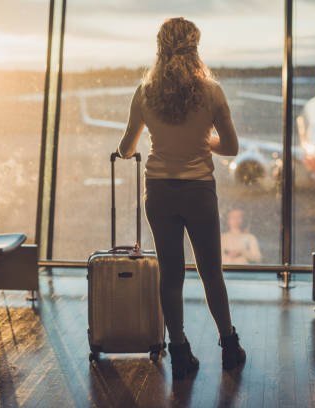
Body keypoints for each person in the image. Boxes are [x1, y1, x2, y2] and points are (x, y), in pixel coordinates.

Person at [117, 17, 245, 380]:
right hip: (198, 192)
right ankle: (229, 346)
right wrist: (204, 141)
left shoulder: (144, 92)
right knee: (210, 273)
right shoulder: (211, 92)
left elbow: (127, 147)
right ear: (194, 48)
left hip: (158, 191)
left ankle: (180, 352)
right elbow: (232, 148)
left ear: (160, 48)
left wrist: (133, 148)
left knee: (171, 275)